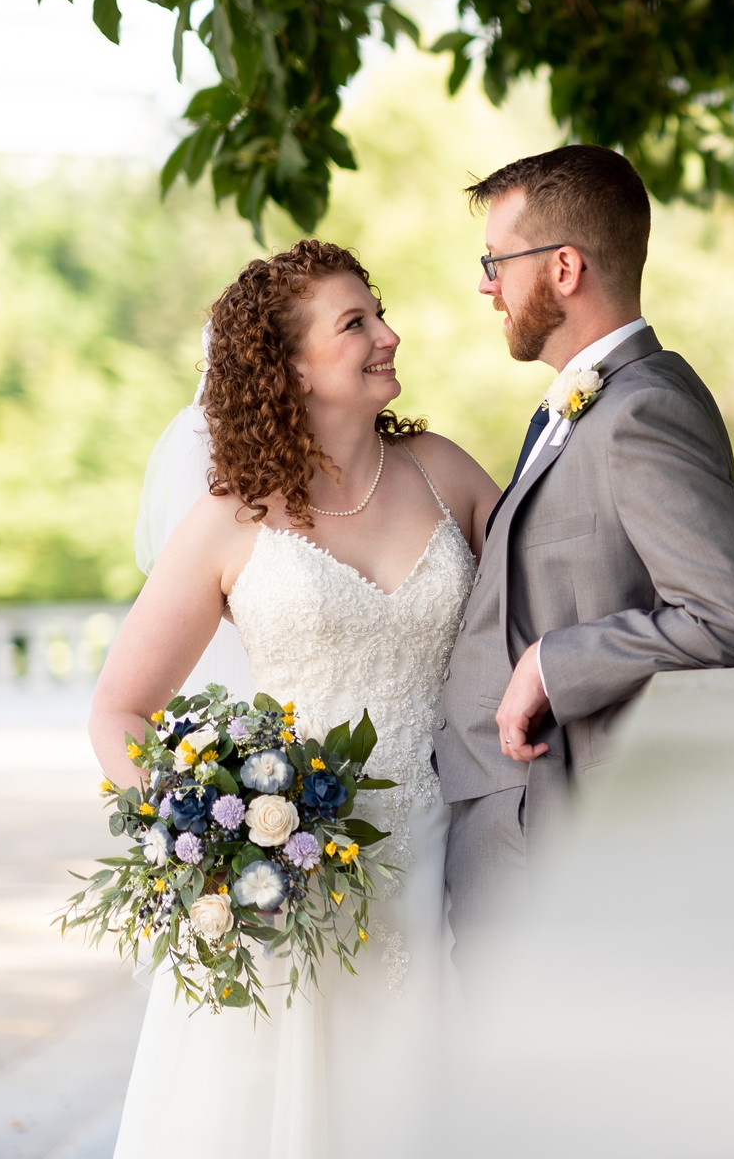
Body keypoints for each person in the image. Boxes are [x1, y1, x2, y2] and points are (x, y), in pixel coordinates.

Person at [89, 240, 499, 1159]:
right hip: (288, 889)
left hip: (439, 859)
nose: (389, 335)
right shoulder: (229, 521)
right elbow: (118, 712)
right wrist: (200, 844)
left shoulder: (447, 474)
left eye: (378, 312)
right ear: (290, 367)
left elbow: (547, 595)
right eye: (356, 323)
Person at [436, 144, 734, 977]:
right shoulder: (588, 403)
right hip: (514, 824)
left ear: (563, 268)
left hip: (558, 830)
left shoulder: (642, 410)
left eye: (497, 261)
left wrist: (552, 665)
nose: (485, 285)